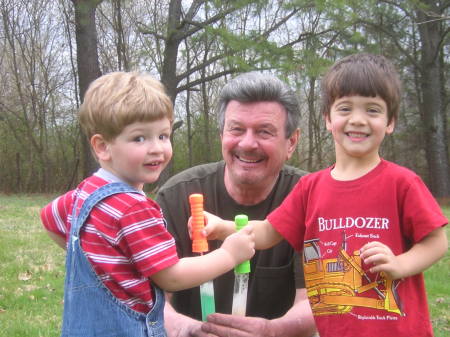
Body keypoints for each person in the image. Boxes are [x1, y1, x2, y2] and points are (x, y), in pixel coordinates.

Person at [204, 53, 449, 337]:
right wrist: (223, 228)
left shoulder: (402, 183)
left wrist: (400, 264)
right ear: (328, 119)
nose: (357, 120)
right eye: (345, 109)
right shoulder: (311, 188)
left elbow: (437, 243)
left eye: (372, 110)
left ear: (390, 121)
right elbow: (269, 232)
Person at [40, 71, 255, 337]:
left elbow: (49, 219)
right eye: (139, 138)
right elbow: (171, 277)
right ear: (102, 146)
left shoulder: (85, 192)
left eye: (163, 136)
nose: (156, 148)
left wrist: (98, 263)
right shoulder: (135, 208)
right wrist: (229, 255)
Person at [156, 72, 317, 337]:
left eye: (264, 132)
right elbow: (152, 300)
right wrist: (189, 330)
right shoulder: (176, 196)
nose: (247, 143)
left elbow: (313, 301)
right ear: (221, 135)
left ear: (291, 142)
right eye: (236, 129)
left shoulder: (311, 198)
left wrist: (271, 332)